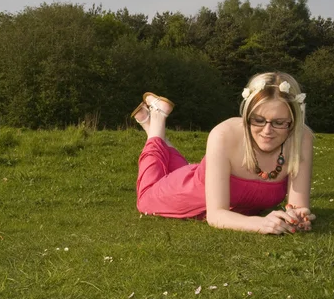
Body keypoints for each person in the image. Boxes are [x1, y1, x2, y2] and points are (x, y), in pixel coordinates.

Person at [131, 71, 316, 235]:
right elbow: (216, 215)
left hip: (201, 173)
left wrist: (296, 216)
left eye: (279, 122)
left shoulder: (302, 138)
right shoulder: (223, 135)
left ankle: (152, 125)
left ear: (293, 121)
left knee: (184, 171)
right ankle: (155, 123)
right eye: (258, 120)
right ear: (247, 115)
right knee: (146, 198)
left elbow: (298, 206)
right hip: (188, 192)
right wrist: (260, 223)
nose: (267, 131)